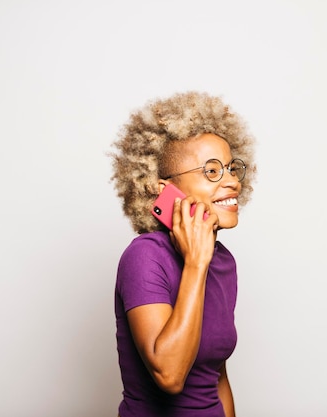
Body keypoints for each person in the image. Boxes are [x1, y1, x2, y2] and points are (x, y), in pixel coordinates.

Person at [108, 91, 256, 417]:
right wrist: (195, 263)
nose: (231, 181)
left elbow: (217, 376)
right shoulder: (144, 257)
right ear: (165, 191)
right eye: (212, 171)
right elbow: (169, 375)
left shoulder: (223, 261)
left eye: (232, 169)